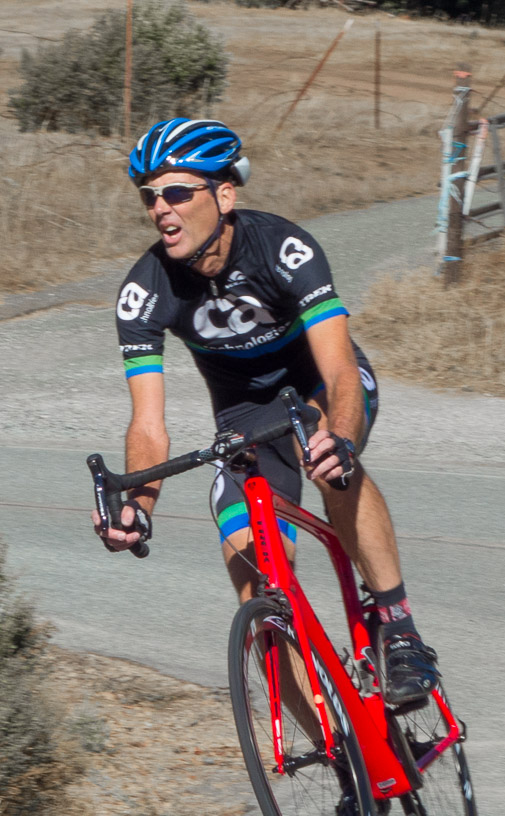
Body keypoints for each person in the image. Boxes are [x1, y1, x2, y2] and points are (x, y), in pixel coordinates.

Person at [91, 117, 439, 706]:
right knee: (257, 591)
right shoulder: (145, 291)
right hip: (244, 417)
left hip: (321, 386)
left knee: (323, 454)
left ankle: (398, 627)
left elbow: (339, 371)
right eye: (150, 196)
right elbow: (148, 424)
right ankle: (334, 751)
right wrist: (139, 506)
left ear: (224, 195)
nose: (160, 209)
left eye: (177, 192)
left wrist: (341, 436)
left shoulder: (284, 249)